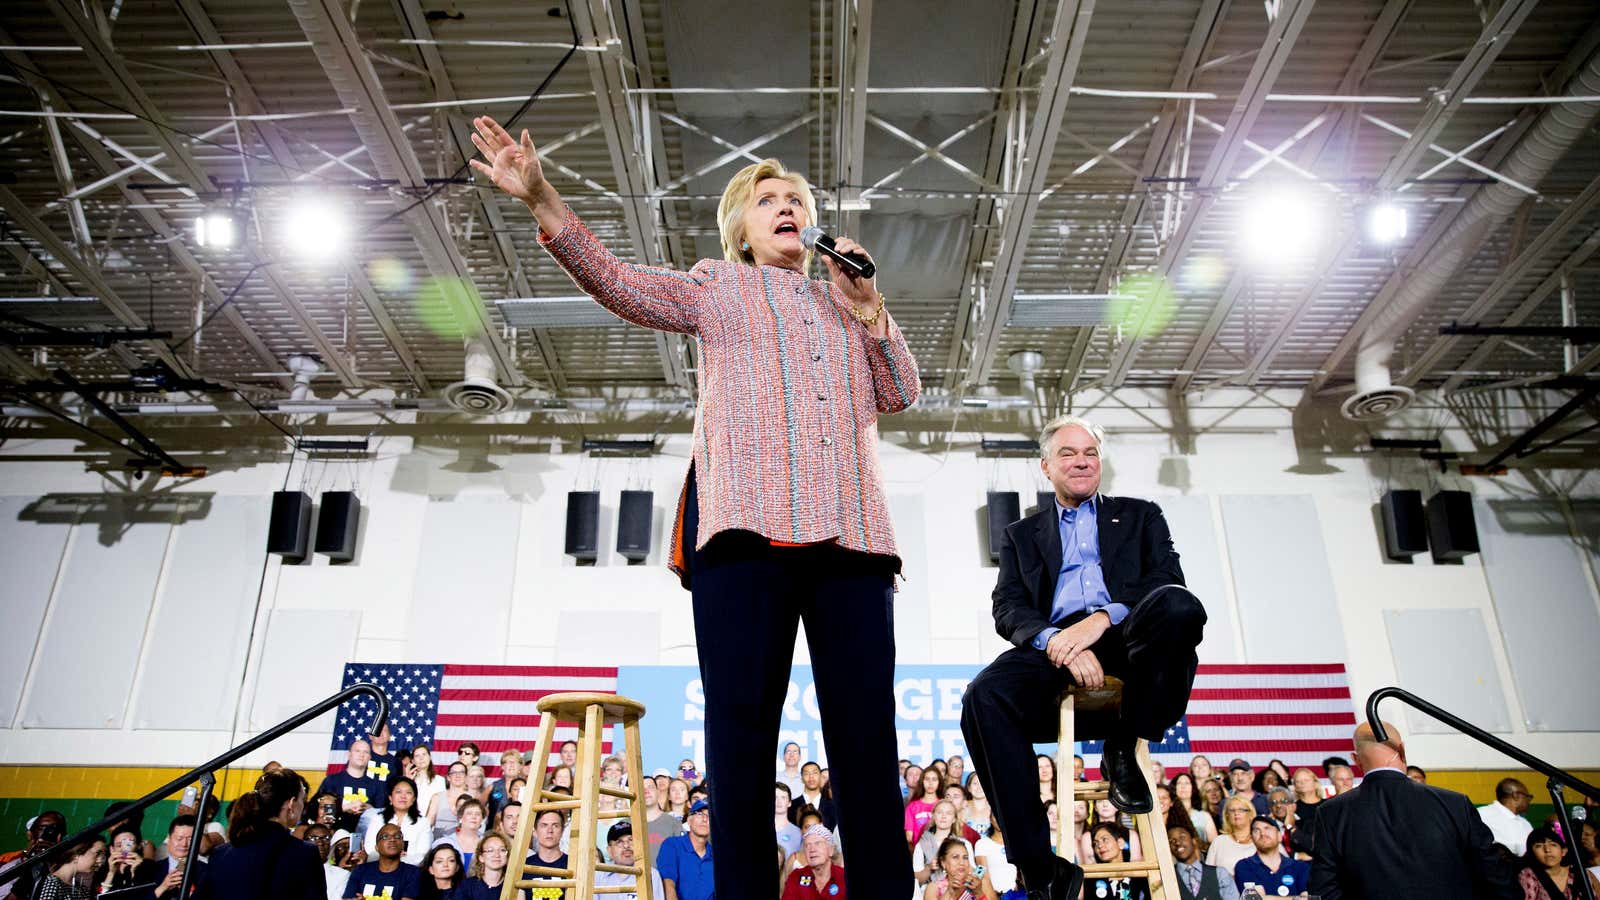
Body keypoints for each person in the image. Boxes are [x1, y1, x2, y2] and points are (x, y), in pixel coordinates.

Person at [472, 116, 918, 900]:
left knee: (867, 742)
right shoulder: (718, 286)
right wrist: (541, 196)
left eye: (796, 200)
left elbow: (902, 392)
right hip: (743, 534)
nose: (786, 207)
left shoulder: (848, 305)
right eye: (767, 199)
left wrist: (874, 305)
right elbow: (616, 283)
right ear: (742, 229)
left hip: (851, 539)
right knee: (741, 738)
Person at [960, 414, 1203, 900]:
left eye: (1090, 453)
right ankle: (1038, 865)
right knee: (982, 697)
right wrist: (1056, 641)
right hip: (1056, 645)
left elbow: (1166, 577)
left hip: (1128, 635)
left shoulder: (1140, 515)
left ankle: (1123, 742)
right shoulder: (1020, 534)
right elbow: (1008, 607)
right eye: (1069, 454)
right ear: (1046, 467)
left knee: (1179, 607)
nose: (1082, 461)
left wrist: (1102, 620)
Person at [1309, 720, 1518, 900]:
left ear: (1355, 759)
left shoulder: (1330, 813)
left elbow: (1323, 888)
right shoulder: (1455, 803)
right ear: (1402, 750)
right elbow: (1496, 878)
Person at [197, 769, 324, 900]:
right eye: (302, 800)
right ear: (291, 804)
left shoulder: (221, 853)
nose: (303, 806)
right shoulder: (305, 853)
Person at [320, 740, 388, 834]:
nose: (361, 755)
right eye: (357, 751)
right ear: (349, 755)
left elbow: (382, 814)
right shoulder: (332, 780)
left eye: (366, 752)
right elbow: (321, 811)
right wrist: (345, 807)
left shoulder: (377, 785)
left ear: (370, 757)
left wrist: (369, 808)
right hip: (335, 834)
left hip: (366, 837)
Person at [1232, 816, 1309, 898]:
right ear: (1252, 839)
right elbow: (1258, 899)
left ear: (1280, 836)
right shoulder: (1244, 866)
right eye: (1256, 830)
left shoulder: (1300, 867)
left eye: (1267, 828)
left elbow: (1308, 897)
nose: (1262, 833)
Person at [362, 777, 432, 866]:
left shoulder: (423, 822)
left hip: (410, 870)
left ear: (414, 799)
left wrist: (399, 861)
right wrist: (390, 859)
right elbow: (370, 849)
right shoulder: (378, 819)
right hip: (380, 867)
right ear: (390, 797)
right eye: (398, 792)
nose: (403, 796)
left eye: (408, 793)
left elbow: (422, 854)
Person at [345, 823, 422, 900]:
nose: (392, 839)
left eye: (398, 836)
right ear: (376, 847)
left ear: (403, 845)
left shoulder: (412, 872)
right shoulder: (360, 870)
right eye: (385, 836)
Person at [657, 799, 714, 900]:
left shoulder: (716, 853)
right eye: (700, 814)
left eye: (709, 815)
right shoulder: (672, 845)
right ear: (689, 820)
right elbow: (668, 883)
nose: (705, 819)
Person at [912, 801, 972, 887]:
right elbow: (915, 880)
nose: (943, 816)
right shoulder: (922, 844)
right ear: (934, 816)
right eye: (940, 812)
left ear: (954, 819)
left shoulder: (964, 844)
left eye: (948, 813)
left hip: (957, 889)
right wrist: (929, 868)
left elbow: (971, 872)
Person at [146, 815, 207, 898]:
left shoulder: (206, 871)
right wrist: (163, 887)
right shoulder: (150, 869)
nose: (184, 844)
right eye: (179, 838)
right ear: (168, 839)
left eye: (190, 839)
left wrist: (190, 892)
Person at [1086, 822, 1149, 900]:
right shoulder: (1092, 881)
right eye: (1095, 843)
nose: (1099, 846)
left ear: (1120, 843)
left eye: (1104, 839)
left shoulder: (1141, 877)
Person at [1167, 820, 1229, 900]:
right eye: (1172, 841)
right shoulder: (1168, 878)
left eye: (1182, 837)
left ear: (1194, 841)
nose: (1178, 843)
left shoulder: (1220, 873)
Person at [781, 825, 846, 900]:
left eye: (817, 843)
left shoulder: (844, 878)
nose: (812, 849)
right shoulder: (796, 877)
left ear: (830, 850)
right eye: (807, 845)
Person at [34, 833, 105, 900]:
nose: (100, 860)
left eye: (102, 855)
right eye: (98, 853)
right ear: (78, 852)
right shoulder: (52, 883)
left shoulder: (81, 889)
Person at [924, 837, 997, 900]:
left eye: (965, 858)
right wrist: (950, 892)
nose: (962, 863)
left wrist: (979, 893)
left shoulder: (982, 883)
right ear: (943, 863)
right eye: (955, 857)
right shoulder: (934, 888)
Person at [1205, 796, 1258, 882]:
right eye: (1232, 810)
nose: (1236, 813)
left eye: (1241, 810)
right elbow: (1208, 874)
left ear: (1250, 814)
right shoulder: (1219, 841)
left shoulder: (1260, 840)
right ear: (1227, 815)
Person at [1481, 778, 1537, 857]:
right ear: (1516, 795)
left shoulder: (1525, 824)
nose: (1529, 801)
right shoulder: (1482, 815)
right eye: (1528, 797)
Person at [457, 831, 512, 900]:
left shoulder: (512, 887)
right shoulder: (466, 886)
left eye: (502, 850)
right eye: (490, 850)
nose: (497, 855)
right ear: (481, 857)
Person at [1171, 773, 1218, 847]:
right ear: (1174, 788)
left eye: (1187, 783)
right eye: (1179, 783)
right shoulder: (1169, 815)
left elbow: (1215, 845)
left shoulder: (1204, 815)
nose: (1183, 786)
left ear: (1193, 788)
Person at [789, 762, 838, 830]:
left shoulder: (833, 806)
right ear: (801, 778)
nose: (811, 777)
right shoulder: (791, 805)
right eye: (806, 774)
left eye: (814, 773)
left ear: (820, 777)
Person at [431, 762, 470, 840]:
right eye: (454, 772)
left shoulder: (472, 799)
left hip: (464, 842)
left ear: (466, 777)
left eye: (461, 772)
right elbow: (428, 824)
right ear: (448, 777)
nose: (457, 775)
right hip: (439, 843)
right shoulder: (437, 797)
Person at [775, 784, 804, 859]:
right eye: (775, 797)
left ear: (789, 803)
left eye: (783, 798)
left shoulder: (798, 833)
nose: (779, 801)